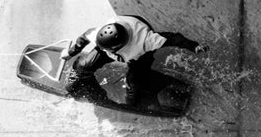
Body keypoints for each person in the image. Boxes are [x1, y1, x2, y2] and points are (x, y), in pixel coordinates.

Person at [59, 14, 205, 105]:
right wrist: (71, 52)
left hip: (139, 55)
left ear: (118, 47)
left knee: (136, 80)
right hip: (118, 40)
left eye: (107, 49)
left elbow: (173, 38)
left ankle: (133, 95)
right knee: (84, 63)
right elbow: (85, 37)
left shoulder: (146, 40)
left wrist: (194, 47)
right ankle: (78, 73)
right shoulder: (102, 34)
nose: (103, 50)